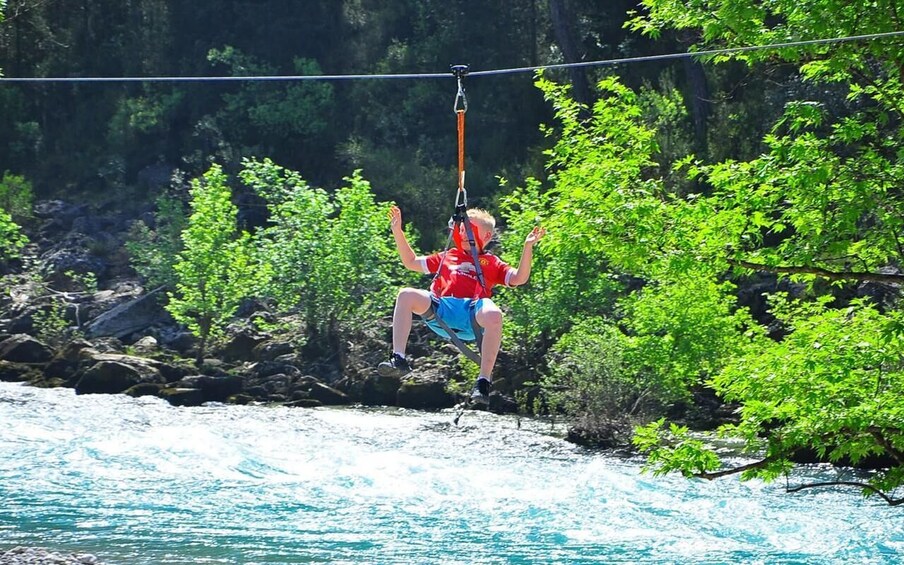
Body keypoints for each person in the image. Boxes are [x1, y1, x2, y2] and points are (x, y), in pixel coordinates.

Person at [378, 204, 545, 405]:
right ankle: (399, 357)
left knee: (494, 314)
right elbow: (411, 262)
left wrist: (527, 248)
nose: (465, 234)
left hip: (471, 316)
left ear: (487, 236)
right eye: (463, 229)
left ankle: (483, 381)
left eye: (471, 230)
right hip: (441, 311)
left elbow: (519, 278)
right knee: (405, 294)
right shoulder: (447, 256)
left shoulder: (491, 262)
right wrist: (398, 231)